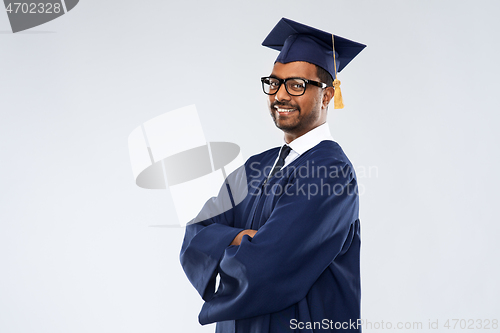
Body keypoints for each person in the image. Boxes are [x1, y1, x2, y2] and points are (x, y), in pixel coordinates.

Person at [180, 17, 366, 332]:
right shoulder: (255, 166)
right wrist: (241, 239)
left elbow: (266, 271)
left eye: (297, 84)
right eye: (274, 82)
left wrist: (226, 243)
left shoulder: (330, 173)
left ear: (327, 96)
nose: (280, 95)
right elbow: (194, 236)